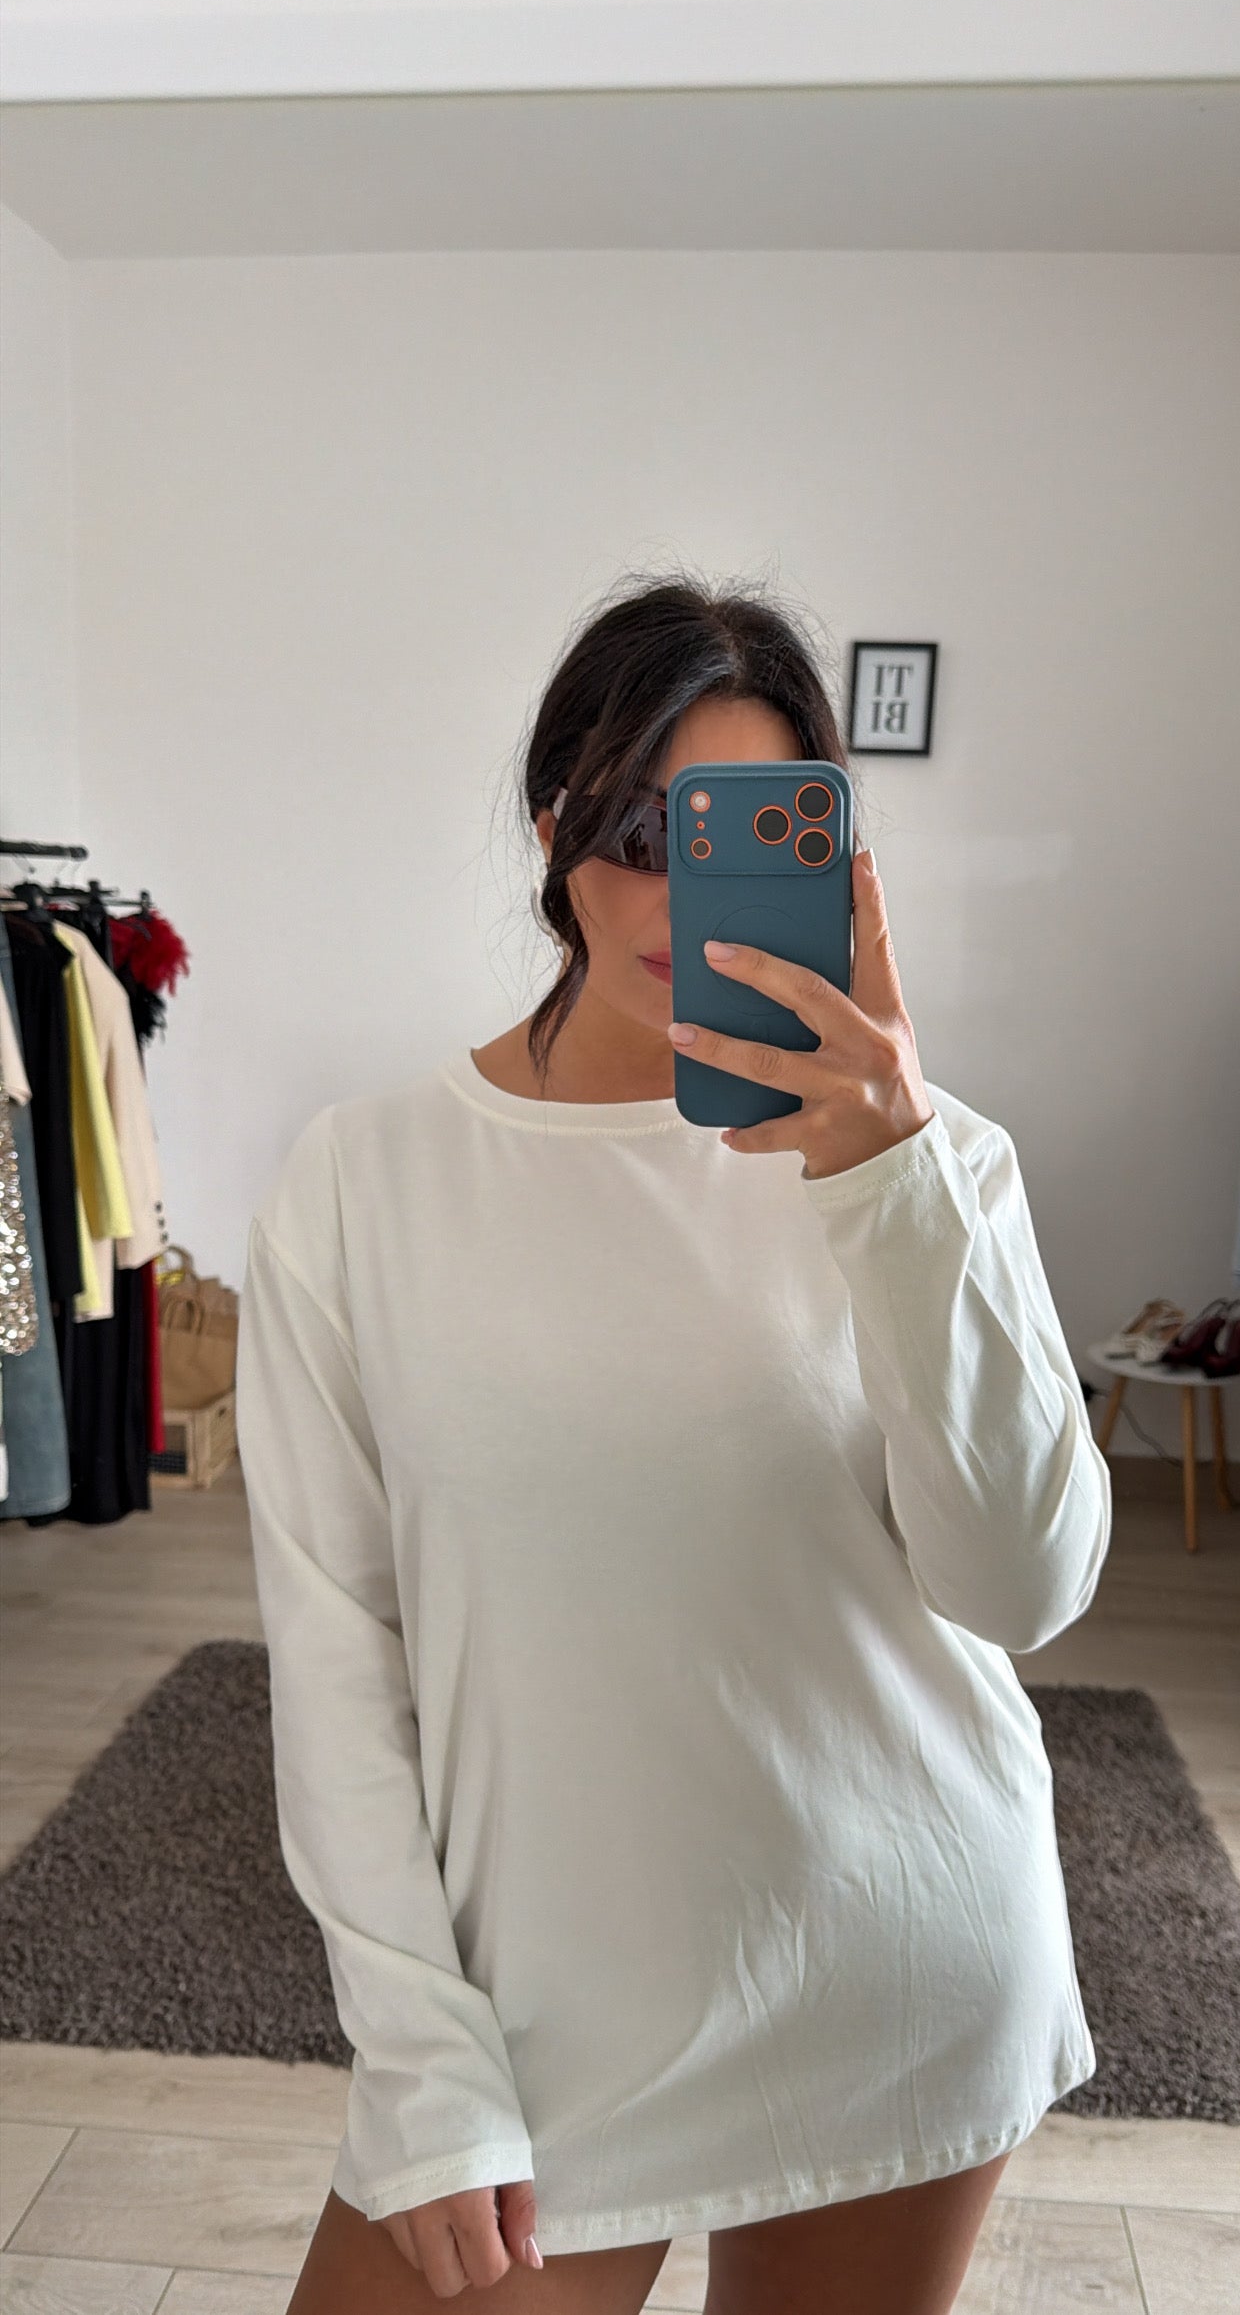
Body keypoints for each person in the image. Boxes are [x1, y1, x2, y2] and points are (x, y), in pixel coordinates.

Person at [236, 572, 1112, 2312]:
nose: (675, 888)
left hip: (895, 1964)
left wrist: (891, 1178)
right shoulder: (363, 1179)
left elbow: (1025, 1587)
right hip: (546, 2010)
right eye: (641, 828)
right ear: (554, 831)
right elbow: (336, 1658)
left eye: (748, 834)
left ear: (832, 858)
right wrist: (421, 2063)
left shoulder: (932, 1159)